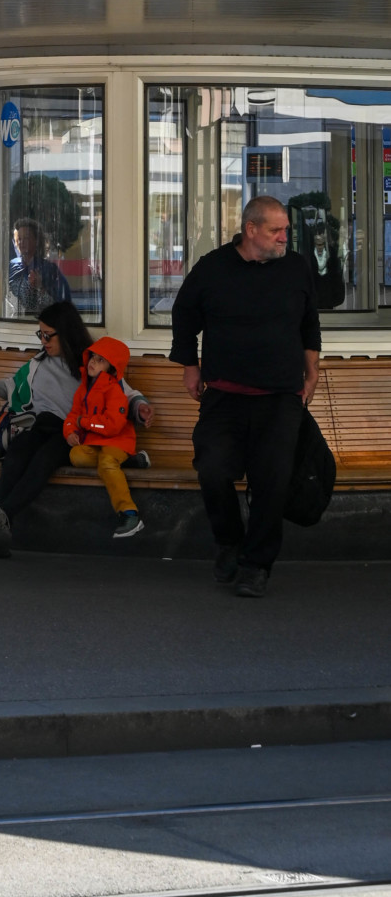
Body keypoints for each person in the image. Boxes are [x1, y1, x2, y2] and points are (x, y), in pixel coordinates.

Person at [170, 194, 321, 597]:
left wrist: (312, 368)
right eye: (276, 230)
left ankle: (257, 565)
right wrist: (189, 364)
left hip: (281, 398)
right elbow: (184, 314)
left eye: (286, 230)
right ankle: (229, 542)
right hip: (224, 396)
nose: (284, 237)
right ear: (250, 230)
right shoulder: (213, 269)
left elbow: (309, 322)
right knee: (213, 470)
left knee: (272, 481)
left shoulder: (296, 267)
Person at [0, 300, 154, 559]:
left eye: (48, 335)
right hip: (40, 424)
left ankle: (0, 518)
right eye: (41, 334)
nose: (43, 340)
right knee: (17, 453)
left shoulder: (91, 363)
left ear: (66, 332)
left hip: (71, 432)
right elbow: (13, 385)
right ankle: (1, 521)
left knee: (44, 460)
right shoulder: (39, 362)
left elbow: (123, 393)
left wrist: (140, 407)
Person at [64, 336, 145, 540]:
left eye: (101, 360)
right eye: (93, 357)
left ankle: (129, 514)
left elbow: (112, 426)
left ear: (111, 367)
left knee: (107, 464)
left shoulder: (115, 390)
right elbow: (73, 415)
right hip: (96, 442)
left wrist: (84, 423)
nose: (92, 362)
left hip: (118, 440)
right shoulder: (84, 388)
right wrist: (69, 432)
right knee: (77, 456)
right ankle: (133, 461)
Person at [5, 219, 72, 317]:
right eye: (19, 239)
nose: (21, 242)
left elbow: (60, 304)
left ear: (36, 241)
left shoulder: (50, 270)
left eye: (26, 238)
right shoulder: (12, 265)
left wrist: (40, 288)